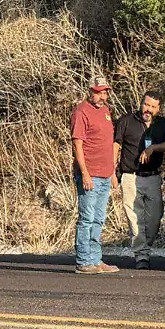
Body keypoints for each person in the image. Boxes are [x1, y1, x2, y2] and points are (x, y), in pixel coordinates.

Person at [115, 91, 165, 269]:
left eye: (153, 107)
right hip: (130, 176)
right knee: (134, 218)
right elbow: (116, 145)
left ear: (158, 109)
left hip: (153, 177)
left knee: (155, 216)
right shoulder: (126, 121)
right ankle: (141, 256)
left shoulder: (162, 123)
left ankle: (145, 244)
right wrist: (112, 171)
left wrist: (154, 148)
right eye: (146, 104)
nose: (148, 109)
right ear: (141, 103)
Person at [70, 76, 121, 275]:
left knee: (99, 218)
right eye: (98, 92)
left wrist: (113, 172)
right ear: (90, 91)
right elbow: (78, 144)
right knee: (87, 218)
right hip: (90, 173)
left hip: (106, 173)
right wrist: (85, 173)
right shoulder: (81, 111)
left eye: (104, 92)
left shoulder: (106, 112)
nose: (102, 96)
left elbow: (109, 143)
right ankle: (84, 260)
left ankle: (96, 259)